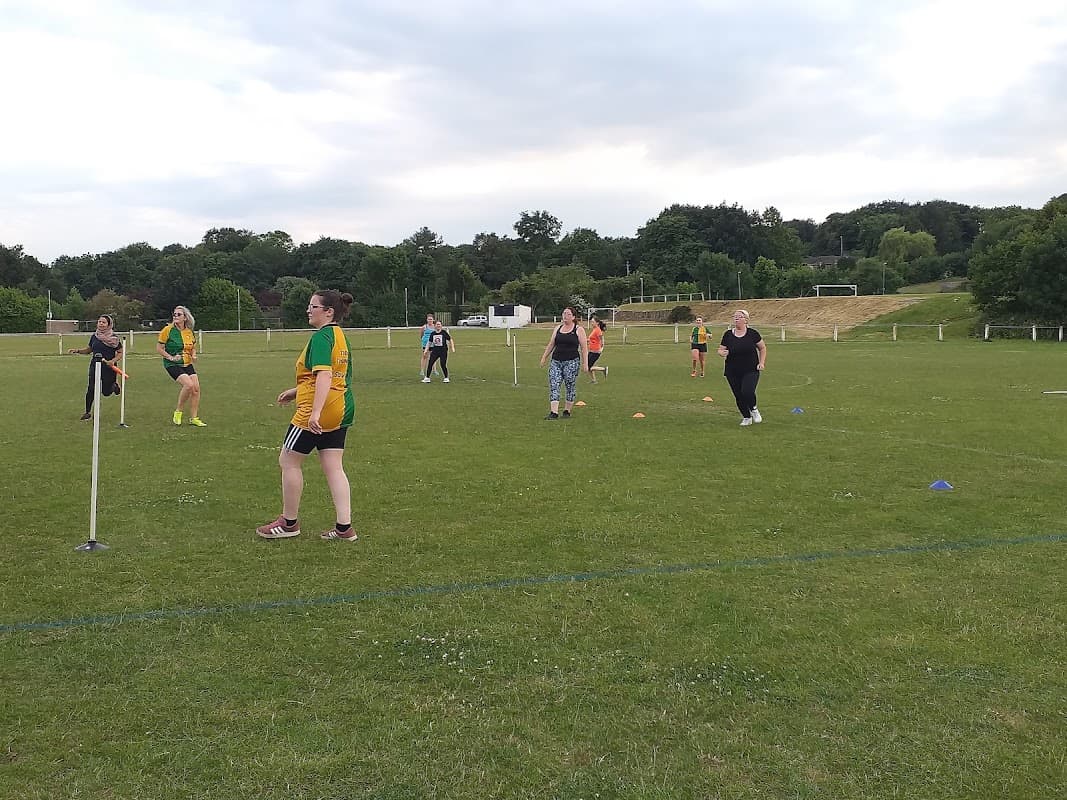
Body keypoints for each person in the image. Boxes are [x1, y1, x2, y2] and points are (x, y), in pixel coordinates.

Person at [257, 290, 358, 542]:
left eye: (313, 306)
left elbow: (324, 374)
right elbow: (336, 375)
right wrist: (295, 391)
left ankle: (289, 523)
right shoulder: (339, 336)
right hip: (341, 407)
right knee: (334, 466)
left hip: (318, 409)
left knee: (288, 461)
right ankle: (344, 527)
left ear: (328, 312)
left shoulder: (321, 337)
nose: (308, 310)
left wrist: (315, 412)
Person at [156, 305, 206, 427]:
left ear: (185, 318)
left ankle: (194, 418)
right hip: (172, 364)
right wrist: (171, 357)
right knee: (188, 385)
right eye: (174, 314)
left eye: (179, 314)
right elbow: (159, 348)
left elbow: (192, 347)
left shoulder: (189, 332)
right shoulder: (167, 330)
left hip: (187, 363)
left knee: (196, 389)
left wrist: (194, 356)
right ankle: (178, 411)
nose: (175, 316)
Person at [717, 309, 767, 426]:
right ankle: (746, 417)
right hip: (732, 370)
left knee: (747, 391)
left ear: (746, 320)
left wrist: (762, 362)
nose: (736, 318)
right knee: (738, 395)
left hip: (751, 369)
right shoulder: (728, 334)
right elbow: (720, 349)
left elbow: (762, 348)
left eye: (739, 316)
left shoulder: (753, 334)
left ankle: (754, 409)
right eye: (735, 316)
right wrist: (721, 353)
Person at [67, 314, 123, 420]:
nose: (101, 324)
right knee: (91, 388)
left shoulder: (114, 338)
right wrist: (77, 351)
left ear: (109, 324)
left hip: (108, 367)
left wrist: (112, 361)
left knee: (106, 392)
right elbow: (89, 349)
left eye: (103, 322)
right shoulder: (95, 336)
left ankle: (114, 386)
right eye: (99, 322)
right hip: (95, 365)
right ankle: (87, 412)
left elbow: (120, 352)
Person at [539, 306, 588, 419]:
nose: (565, 316)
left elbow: (584, 348)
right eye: (564, 313)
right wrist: (544, 357)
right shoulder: (558, 328)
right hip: (556, 361)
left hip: (571, 362)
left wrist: (585, 363)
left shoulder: (578, 329)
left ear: (573, 317)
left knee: (570, 385)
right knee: (554, 384)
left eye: (568, 314)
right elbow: (551, 344)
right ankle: (554, 412)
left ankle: (567, 410)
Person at [418, 313, 439, 378]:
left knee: (433, 357)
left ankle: (434, 370)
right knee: (425, 356)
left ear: (433, 320)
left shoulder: (435, 327)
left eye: (431, 319)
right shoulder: (424, 327)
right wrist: (424, 340)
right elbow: (421, 335)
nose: (430, 320)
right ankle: (422, 370)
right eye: (429, 319)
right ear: (427, 320)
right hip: (425, 343)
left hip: (433, 343)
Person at [587, 316, 607, 383]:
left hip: (595, 352)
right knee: (589, 366)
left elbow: (602, 339)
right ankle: (594, 380)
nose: (591, 323)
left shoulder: (598, 330)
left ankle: (603, 369)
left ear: (597, 323)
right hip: (591, 351)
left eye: (593, 322)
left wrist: (602, 348)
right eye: (591, 322)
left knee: (588, 367)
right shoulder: (594, 329)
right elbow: (592, 339)